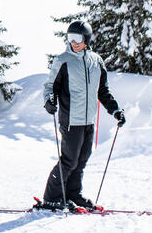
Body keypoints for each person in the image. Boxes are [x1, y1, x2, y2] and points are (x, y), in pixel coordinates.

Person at [38, 19, 125, 211]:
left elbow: (103, 91)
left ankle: (72, 194)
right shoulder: (63, 60)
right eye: (70, 38)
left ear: (86, 39)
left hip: (88, 120)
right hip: (70, 120)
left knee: (82, 160)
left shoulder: (96, 62)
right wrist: (49, 101)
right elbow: (51, 86)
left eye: (77, 38)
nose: (73, 42)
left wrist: (115, 110)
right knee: (69, 160)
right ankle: (51, 197)